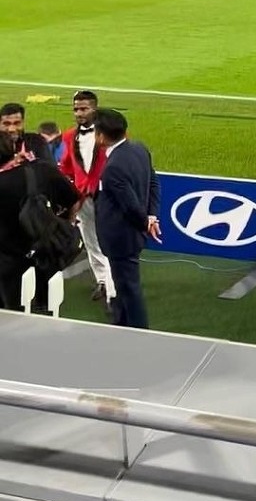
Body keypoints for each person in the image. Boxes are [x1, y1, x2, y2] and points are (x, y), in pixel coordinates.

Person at [93, 108, 160, 329]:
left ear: (101, 136)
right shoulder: (139, 149)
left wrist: (145, 222)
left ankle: (139, 333)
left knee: (129, 288)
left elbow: (129, 205)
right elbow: (153, 183)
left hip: (122, 237)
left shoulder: (113, 168)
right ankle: (121, 324)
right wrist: (151, 217)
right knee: (123, 285)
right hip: (131, 234)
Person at [0, 131, 78, 313]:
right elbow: (73, 199)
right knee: (44, 311)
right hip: (45, 253)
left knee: (10, 316)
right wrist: (65, 225)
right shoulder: (43, 170)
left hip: (8, 263)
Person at [59, 90, 112, 303]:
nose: (79, 113)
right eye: (76, 109)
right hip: (82, 197)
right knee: (91, 241)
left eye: (84, 108)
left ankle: (113, 284)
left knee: (110, 239)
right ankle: (102, 281)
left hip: (107, 196)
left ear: (95, 109)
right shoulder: (69, 136)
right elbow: (67, 166)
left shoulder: (110, 133)